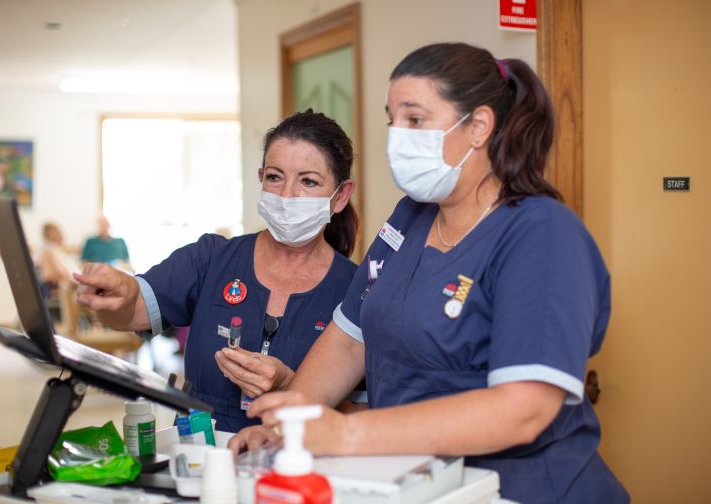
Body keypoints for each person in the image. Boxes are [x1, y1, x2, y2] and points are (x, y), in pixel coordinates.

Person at [229, 43, 630, 503]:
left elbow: (524, 410)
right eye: (392, 119)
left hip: (523, 488)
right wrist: (289, 426)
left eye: (415, 120)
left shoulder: (542, 235)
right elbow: (348, 338)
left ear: (478, 126)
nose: (397, 135)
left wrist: (346, 435)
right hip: (419, 482)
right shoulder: (410, 218)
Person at [74, 110, 360, 433]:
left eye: (308, 181)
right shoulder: (213, 258)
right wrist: (121, 296)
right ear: (260, 178)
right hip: (202, 458)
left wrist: (290, 386)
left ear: (341, 196)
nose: (286, 196)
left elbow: (361, 417)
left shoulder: (355, 290)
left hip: (300, 465)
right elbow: (131, 313)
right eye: (275, 177)